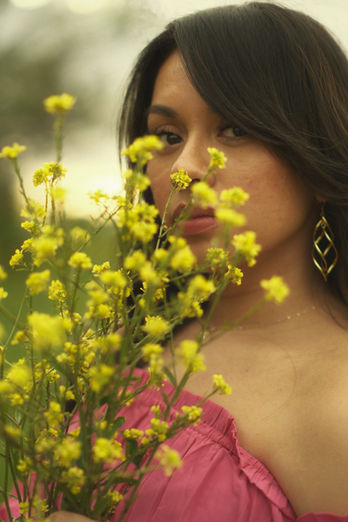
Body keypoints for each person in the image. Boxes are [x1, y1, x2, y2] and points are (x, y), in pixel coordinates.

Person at [43, 2, 348, 521]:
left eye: (234, 130)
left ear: (320, 163)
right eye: (167, 137)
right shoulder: (127, 348)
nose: (184, 169)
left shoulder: (338, 405)